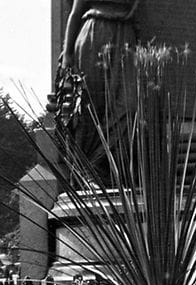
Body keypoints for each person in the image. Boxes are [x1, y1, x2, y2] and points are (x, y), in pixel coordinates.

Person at [52, 0, 140, 180]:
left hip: (125, 35)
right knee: (89, 106)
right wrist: (67, 53)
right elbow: (76, 13)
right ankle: (87, 173)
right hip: (94, 32)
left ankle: (97, 164)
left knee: (130, 107)